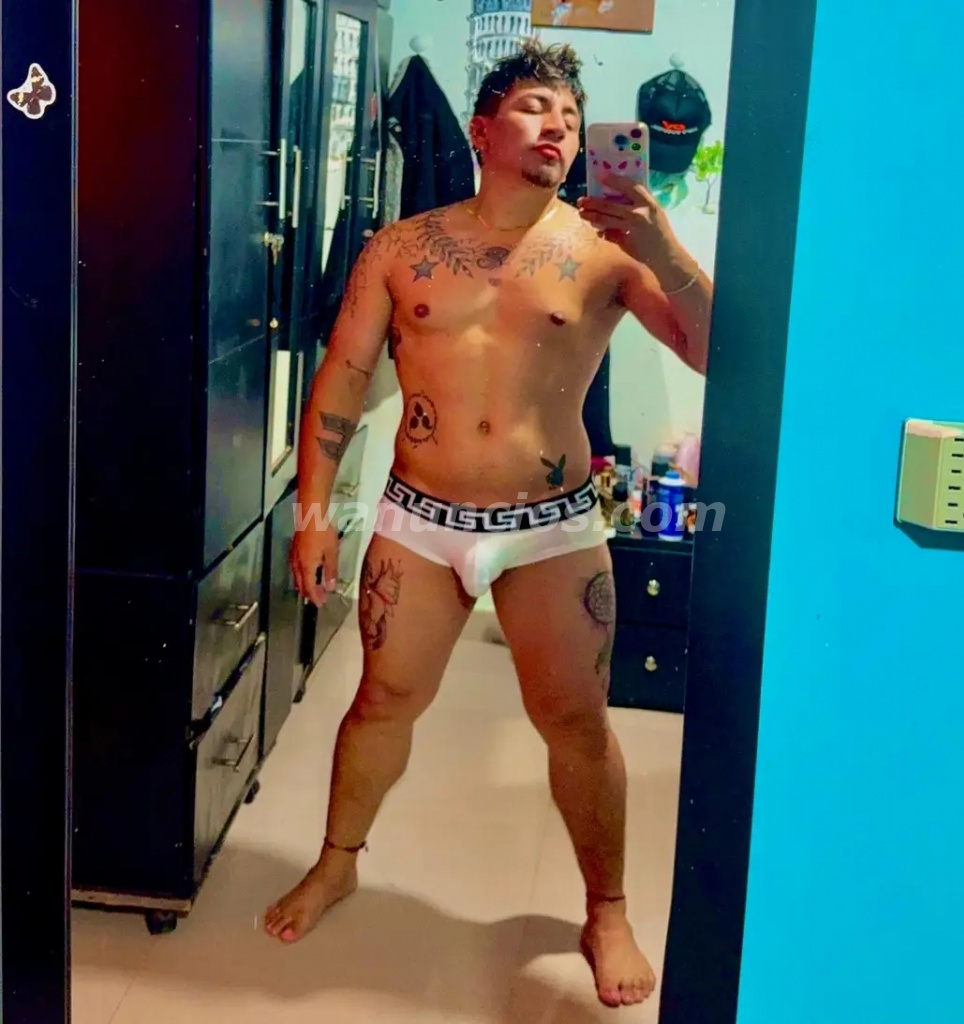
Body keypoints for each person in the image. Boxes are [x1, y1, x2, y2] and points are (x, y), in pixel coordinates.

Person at [264, 39, 712, 1009]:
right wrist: (315, 514)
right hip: (418, 520)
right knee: (382, 701)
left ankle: (605, 909)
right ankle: (338, 862)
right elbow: (341, 376)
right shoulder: (400, 248)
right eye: (536, 108)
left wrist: (665, 249)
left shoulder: (606, 249)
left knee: (576, 723)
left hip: (552, 527)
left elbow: (714, 351)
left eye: (570, 116)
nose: (558, 127)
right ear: (481, 129)